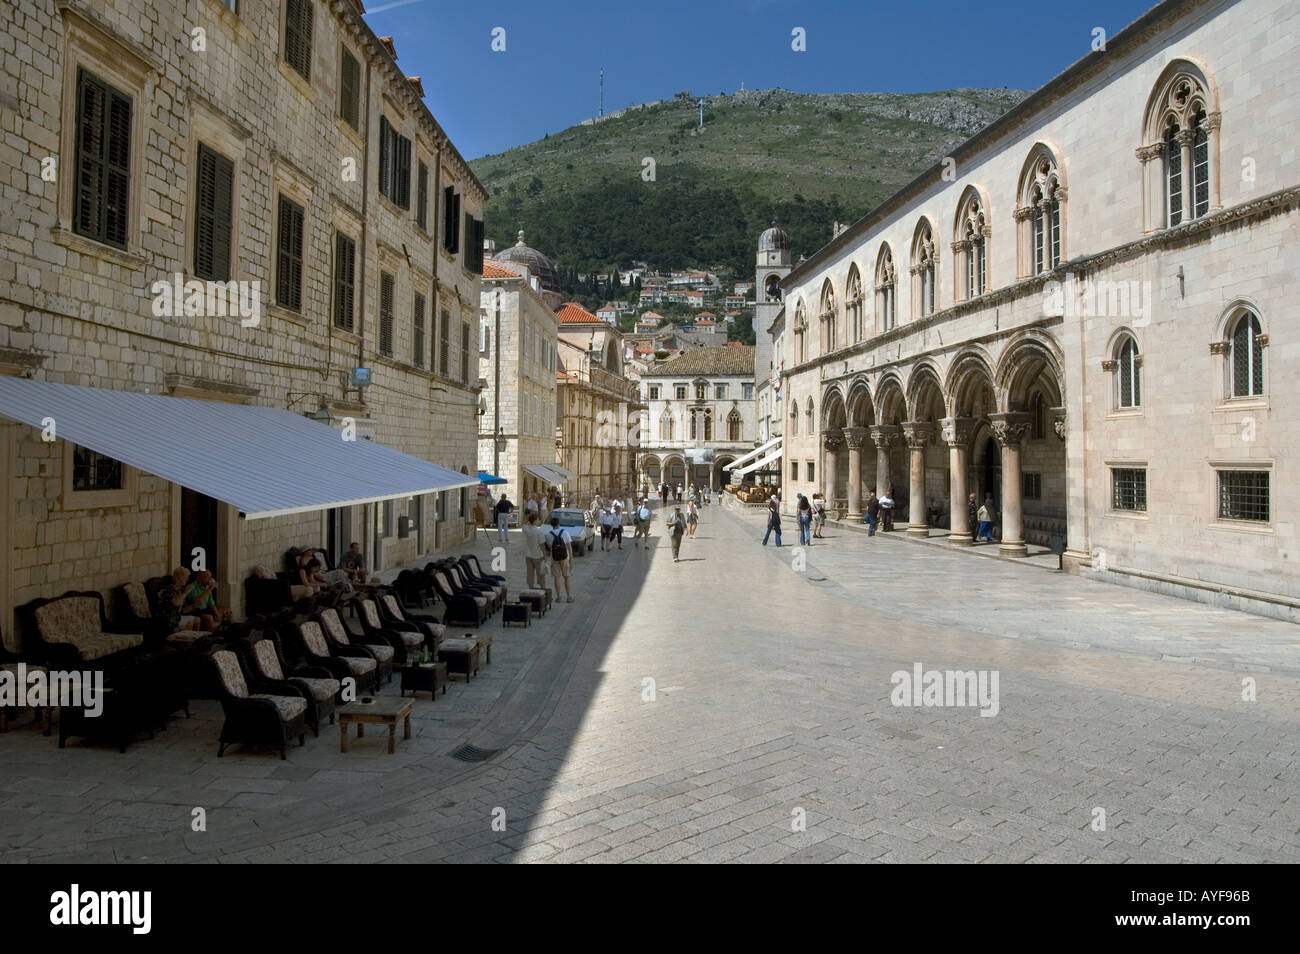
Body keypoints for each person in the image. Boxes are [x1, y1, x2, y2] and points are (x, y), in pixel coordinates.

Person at [160, 567, 202, 632]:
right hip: (169, 619)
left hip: (177, 617)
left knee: (197, 620)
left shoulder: (179, 589)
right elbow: (176, 603)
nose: (187, 579)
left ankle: (195, 639)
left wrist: (194, 605)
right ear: (178, 578)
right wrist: (186, 592)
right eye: (185, 577)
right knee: (189, 623)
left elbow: (182, 610)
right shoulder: (170, 589)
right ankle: (186, 640)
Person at [546, 516, 574, 602]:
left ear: (551, 525)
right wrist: (571, 559)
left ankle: (559, 597)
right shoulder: (565, 532)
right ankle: (569, 596)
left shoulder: (549, 535)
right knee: (567, 577)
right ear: (558, 523)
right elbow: (569, 546)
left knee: (557, 578)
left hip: (554, 559)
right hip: (565, 558)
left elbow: (550, 548)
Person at [523, 512, 548, 590]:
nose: (539, 521)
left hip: (528, 555)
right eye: (537, 519)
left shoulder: (526, 529)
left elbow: (525, 524)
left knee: (530, 573)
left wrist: (529, 520)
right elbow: (542, 545)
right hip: (537, 556)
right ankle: (543, 588)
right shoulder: (539, 531)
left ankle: (531, 587)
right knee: (540, 573)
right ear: (534, 521)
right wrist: (545, 555)